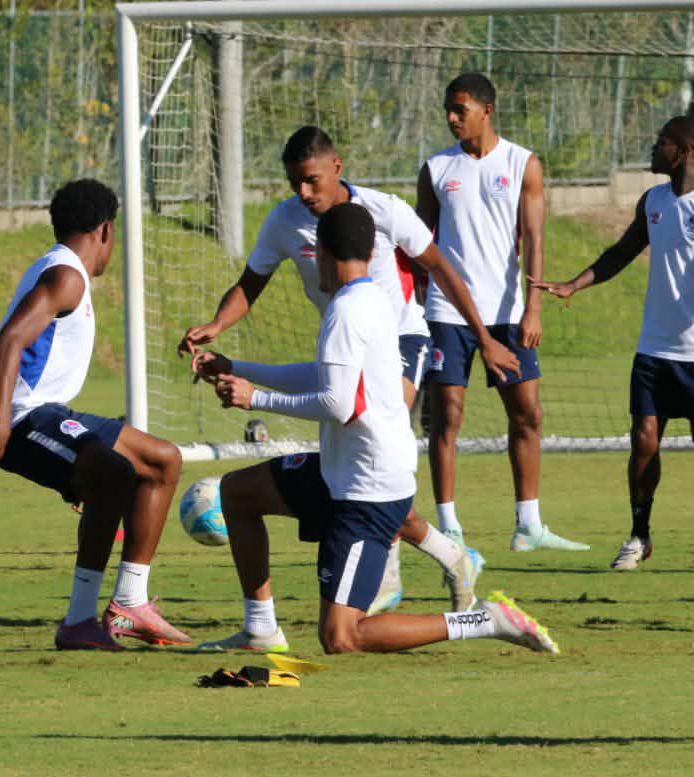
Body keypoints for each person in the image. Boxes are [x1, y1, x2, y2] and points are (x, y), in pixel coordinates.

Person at [179, 126, 521, 615]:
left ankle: (385, 567)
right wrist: (216, 323)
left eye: (312, 180)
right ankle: (450, 555)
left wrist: (484, 339)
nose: (303, 192)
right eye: (295, 182)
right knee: (360, 460)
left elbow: (442, 268)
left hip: (401, 338)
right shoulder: (284, 222)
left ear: (336, 167)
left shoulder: (383, 211)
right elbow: (249, 283)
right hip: (346, 345)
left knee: (376, 439)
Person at [192, 202, 558, 657]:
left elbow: (338, 404)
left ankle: (483, 620)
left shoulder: (346, 311)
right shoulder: (370, 301)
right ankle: (260, 629)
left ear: (320, 252)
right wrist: (236, 368)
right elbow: (327, 377)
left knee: (342, 636)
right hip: (343, 472)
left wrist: (256, 399)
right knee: (239, 493)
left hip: (366, 489)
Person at [0, 179, 191, 650]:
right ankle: (80, 620)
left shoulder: (61, 270)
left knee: (163, 460)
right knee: (114, 475)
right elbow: (8, 342)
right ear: (106, 230)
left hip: (51, 415)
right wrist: (0, 430)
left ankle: (130, 603)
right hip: (25, 421)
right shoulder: (66, 276)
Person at [416, 72, 588, 552]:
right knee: (446, 417)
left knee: (528, 413)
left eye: (460, 109)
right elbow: (420, 242)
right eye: (448, 110)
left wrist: (533, 307)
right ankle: (448, 526)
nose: (452, 118)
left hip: (509, 313)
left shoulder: (522, 164)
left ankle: (528, 525)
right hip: (447, 313)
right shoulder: (435, 169)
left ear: (486, 110)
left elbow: (534, 239)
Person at [530, 116, 694, 570]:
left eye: (660, 141)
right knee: (643, 442)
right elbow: (621, 253)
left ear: (681, 151)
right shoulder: (653, 201)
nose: (652, 147)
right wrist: (573, 284)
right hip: (655, 350)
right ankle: (639, 536)